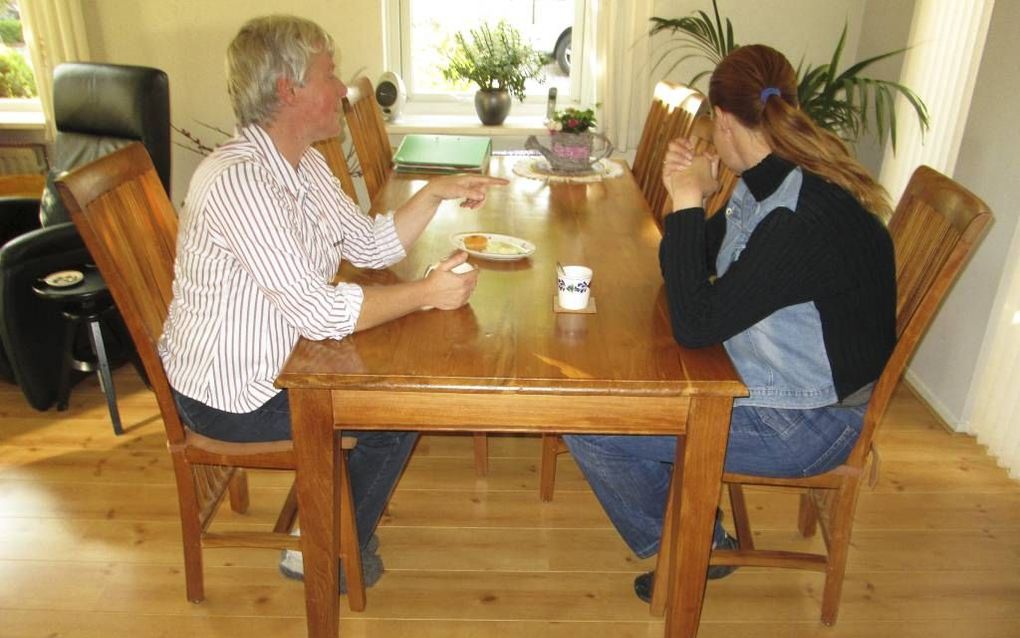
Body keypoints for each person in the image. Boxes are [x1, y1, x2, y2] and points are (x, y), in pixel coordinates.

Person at [158, 15, 507, 590]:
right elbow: (320, 312)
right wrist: (423, 295)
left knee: (396, 385)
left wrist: (434, 193)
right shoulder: (239, 182)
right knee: (397, 410)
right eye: (330, 73)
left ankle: (335, 513)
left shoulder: (306, 163)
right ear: (286, 90)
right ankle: (318, 549)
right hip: (235, 392)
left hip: (286, 355)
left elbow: (369, 243)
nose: (342, 87)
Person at [563, 44, 896, 602]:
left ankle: (698, 542)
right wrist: (689, 200)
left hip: (808, 422)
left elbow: (694, 323)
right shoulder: (772, 180)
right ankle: (689, 518)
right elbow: (689, 274)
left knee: (590, 425)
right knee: (618, 393)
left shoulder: (798, 218)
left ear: (721, 120)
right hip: (771, 378)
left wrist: (690, 199)